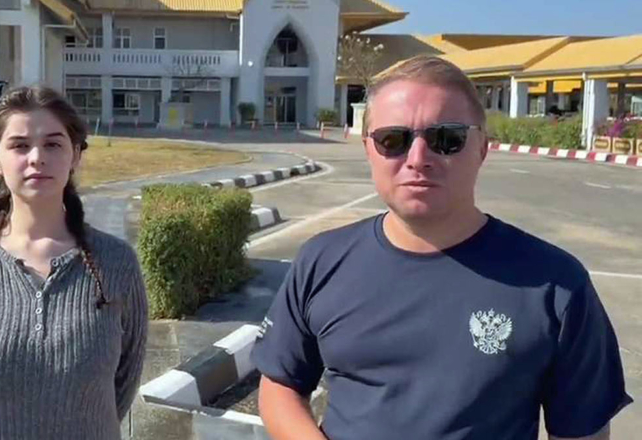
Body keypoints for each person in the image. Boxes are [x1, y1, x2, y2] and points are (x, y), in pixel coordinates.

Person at [251, 56, 632, 440]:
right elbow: (280, 385)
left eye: (447, 139)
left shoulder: (557, 285)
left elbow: (582, 432)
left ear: (481, 148)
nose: (418, 159)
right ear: (368, 149)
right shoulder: (322, 260)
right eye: (392, 140)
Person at [0, 86, 148, 439]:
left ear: (75, 155)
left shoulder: (116, 263)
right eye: (19, 145)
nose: (36, 158)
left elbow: (122, 384)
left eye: (53, 144)